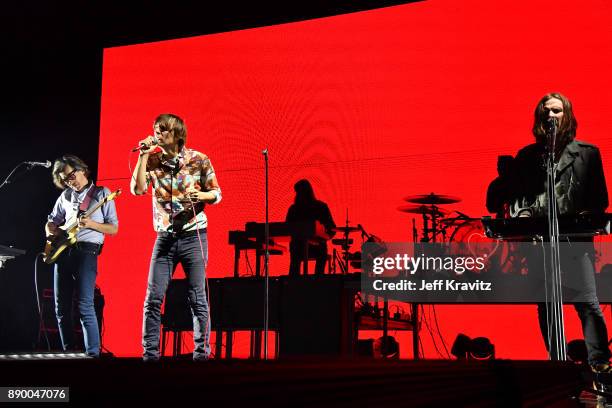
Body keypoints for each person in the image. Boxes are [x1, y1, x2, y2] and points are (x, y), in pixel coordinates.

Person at [496, 92, 611, 371]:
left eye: (557, 111)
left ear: (567, 116)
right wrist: (521, 212)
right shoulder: (527, 156)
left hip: (575, 242)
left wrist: (581, 214)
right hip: (539, 243)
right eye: (546, 111)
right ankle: (556, 364)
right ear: (539, 117)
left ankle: (600, 364)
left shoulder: (587, 153)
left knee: (586, 302)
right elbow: (518, 200)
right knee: (547, 304)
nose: (551, 116)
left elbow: (601, 199)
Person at [131, 113, 221, 361]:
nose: (157, 134)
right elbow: (137, 189)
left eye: (162, 130)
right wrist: (143, 156)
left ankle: (201, 355)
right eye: (155, 130)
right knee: (153, 298)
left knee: (197, 297)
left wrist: (201, 197)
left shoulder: (199, 160)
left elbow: (217, 193)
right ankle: (150, 355)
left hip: (194, 236)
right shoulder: (153, 160)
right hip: (165, 238)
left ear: (176, 135)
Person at [46, 155, 119, 357]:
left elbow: (113, 228)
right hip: (63, 252)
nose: (70, 181)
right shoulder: (66, 196)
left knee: (84, 304)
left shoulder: (102, 193)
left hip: (87, 250)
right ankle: (68, 353)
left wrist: (91, 224)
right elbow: (52, 221)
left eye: (71, 175)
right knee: (61, 307)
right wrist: (49, 230)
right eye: (65, 179)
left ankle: (92, 354)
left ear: (82, 170)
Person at [285, 179, 335, 276]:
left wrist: (321, 239)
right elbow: (288, 228)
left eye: (299, 192)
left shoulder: (295, 209)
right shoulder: (320, 207)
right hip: (301, 246)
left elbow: (331, 228)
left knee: (296, 252)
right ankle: (315, 281)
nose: (298, 195)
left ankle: (294, 281)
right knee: (296, 249)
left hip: (313, 246)